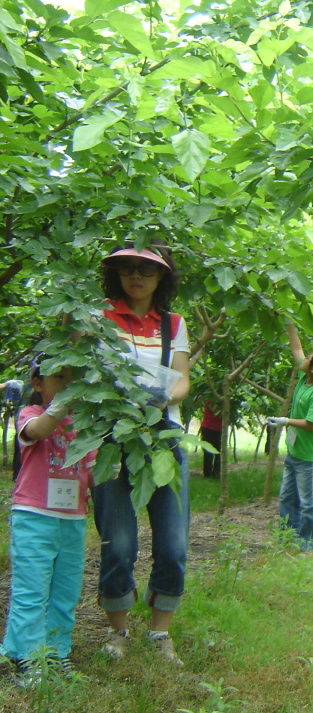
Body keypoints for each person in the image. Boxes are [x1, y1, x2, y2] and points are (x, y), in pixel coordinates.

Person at [93, 242, 191, 666]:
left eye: (146, 271)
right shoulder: (98, 317)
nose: (136, 276)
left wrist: (159, 396)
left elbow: (183, 380)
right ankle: (117, 632)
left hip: (163, 437)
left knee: (173, 542)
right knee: (118, 543)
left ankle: (159, 633)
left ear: (162, 278)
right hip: (111, 437)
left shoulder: (173, 324)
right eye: (127, 269)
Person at [2, 357, 95, 687]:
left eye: (74, 377)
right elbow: (38, 432)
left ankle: (56, 652)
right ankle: (26, 655)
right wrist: (60, 406)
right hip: (34, 516)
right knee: (32, 587)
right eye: (59, 377)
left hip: (72, 519)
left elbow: (94, 467)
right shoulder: (30, 415)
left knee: (65, 589)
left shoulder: (83, 425)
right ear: (38, 384)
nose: (68, 383)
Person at [266, 321, 313, 554]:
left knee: (309, 504)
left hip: (310, 457)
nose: (304, 357)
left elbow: (312, 423)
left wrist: (285, 421)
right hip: (295, 453)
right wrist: (289, 325)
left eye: (309, 357)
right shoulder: (304, 379)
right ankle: (289, 538)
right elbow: (296, 350)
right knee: (287, 499)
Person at [199, 401, 224, 479]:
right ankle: (207, 474)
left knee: (218, 452)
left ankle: (216, 474)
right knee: (208, 452)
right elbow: (214, 410)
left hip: (219, 428)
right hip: (208, 427)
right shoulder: (212, 398)